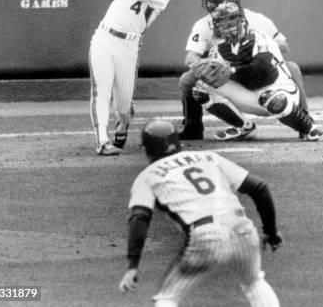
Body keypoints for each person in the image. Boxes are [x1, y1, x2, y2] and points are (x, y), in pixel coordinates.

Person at [118, 118, 282, 306]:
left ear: (147, 149)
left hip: (206, 236)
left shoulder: (148, 175)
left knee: (167, 297)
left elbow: (139, 217)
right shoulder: (209, 157)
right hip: (243, 228)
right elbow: (259, 187)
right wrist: (271, 231)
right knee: (254, 282)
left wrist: (133, 265)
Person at [60, 0, 185, 155]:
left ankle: (123, 123)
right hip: (103, 37)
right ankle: (102, 142)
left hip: (129, 45)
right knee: (102, 92)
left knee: (123, 105)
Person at [178, 0, 309, 141]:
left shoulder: (258, 20)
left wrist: (258, 49)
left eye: (226, 8)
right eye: (216, 9)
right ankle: (194, 126)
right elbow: (191, 58)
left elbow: (283, 46)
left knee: (292, 68)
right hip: (223, 68)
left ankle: (305, 121)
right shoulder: (204, 24)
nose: (221, 12)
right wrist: (211, 65)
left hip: (258, 65)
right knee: (188, 80)